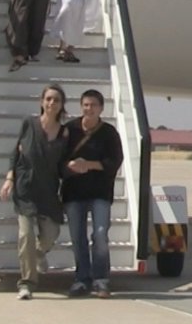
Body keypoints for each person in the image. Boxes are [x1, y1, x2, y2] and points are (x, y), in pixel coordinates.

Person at [0, 85, 70, 300]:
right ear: (41, 102)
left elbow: (63, 164)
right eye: (48, 99)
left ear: (61, 105)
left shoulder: (65, 133)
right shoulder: (29, 124)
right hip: (26, 189)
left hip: (48, 190)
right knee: (26, 235)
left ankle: (38, 254)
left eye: (56, 100)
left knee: (51, 234)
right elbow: (16, 154)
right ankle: (27, 283)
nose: (51, 103)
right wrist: (9, 178)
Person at [61, 89, 123, 298]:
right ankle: (82, 279)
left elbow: (114, 161)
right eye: (86, 105)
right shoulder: (70, 130)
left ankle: (101, 279)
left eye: (94, 105)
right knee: (77, 238)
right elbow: (59, 159)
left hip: (100, 193)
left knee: (100, 234)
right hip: (73, 193)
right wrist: (71, 165)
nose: (89, 109)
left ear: (101, 108)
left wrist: (89, 164)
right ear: (81, 107)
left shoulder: (109, 133)